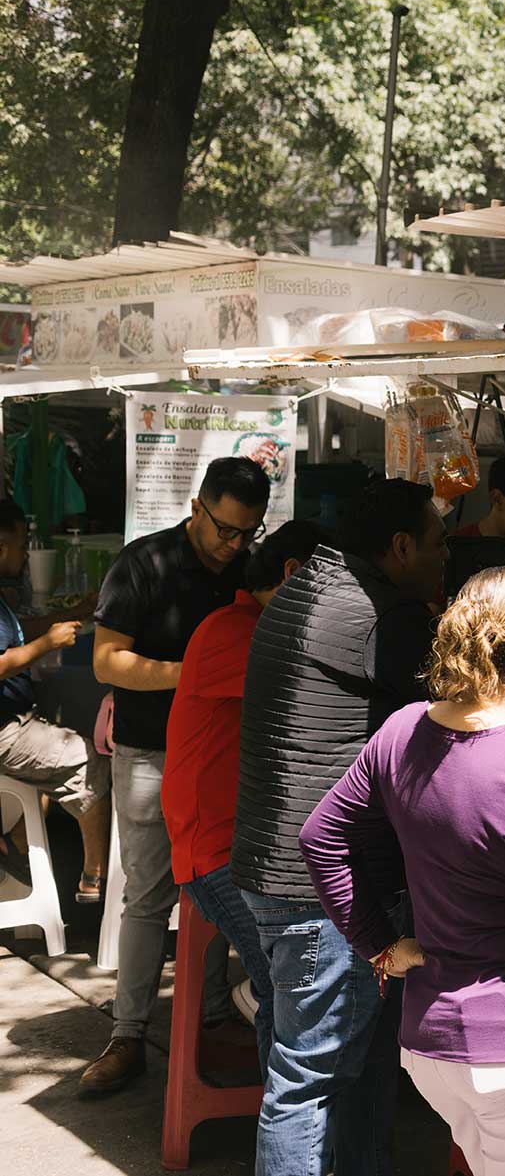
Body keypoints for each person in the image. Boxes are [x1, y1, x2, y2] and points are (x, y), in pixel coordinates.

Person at [232, 478, 505, 1176]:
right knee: (308, 1078)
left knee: (327, 1067)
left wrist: (381, 944)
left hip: (419, 1033)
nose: (442, 557)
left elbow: (324, 832)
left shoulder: (381, 697)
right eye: (436, 543)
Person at [82, 455, 272, 1097]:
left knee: (214, 893)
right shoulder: (143, 564)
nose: (236, 544)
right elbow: (108, 662)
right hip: (152, 751)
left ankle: (212, 1014)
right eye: (226, 529)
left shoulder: (249, 566)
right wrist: (192, 678)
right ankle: (127, 1032)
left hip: (226, 765)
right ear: (197, 507)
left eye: (249, 532)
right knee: (147, 896)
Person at [161, 518, 327, 1080]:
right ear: (295, 574)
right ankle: (292, 1139)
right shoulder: (235, 631)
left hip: (252, 845)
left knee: (307, 984)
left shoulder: (256, 628)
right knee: (292, 994)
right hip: (216, 851)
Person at [0, 499, 109, 899]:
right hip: (4, 732)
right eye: (21, 545)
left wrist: (76, 612)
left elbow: (19, 630)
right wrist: (47, 644)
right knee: (86, 755)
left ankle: (12, 840)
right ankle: (93, 879)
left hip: (17, 723)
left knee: (60, 741)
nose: (26, 554)